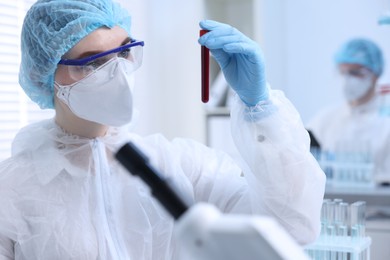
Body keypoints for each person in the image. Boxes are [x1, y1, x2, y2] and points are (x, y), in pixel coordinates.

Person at [0, 0, 325, 259]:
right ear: (46, 74)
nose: (119, 72)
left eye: (125, 51)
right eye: (94, 61)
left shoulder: (180, 166)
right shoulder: (12, 189)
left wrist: (260, 108)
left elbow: (290, 228)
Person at [307, 38, 390, 184]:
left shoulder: (385, 121)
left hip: (381, 205)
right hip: (335, 204)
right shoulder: (325, 118)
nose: (347, 78)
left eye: (355, 72)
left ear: (375, 75)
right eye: (343, 72)